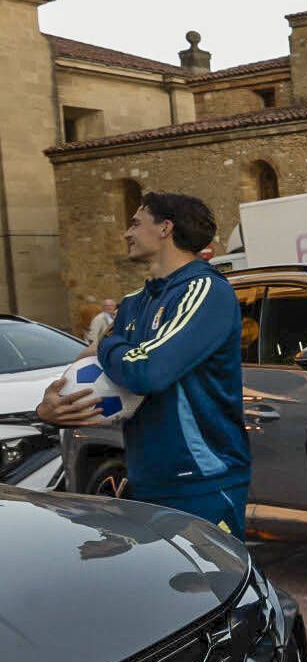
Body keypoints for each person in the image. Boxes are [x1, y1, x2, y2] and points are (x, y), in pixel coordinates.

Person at [38, 193, 247, 533]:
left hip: (201, 481)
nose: (126, 233)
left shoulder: (206, 290)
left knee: (205, 571)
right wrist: (50, 408)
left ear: (165, 228)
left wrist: (107, 343)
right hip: (145, 477)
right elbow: (90, 363)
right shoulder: (134, 302)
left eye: (136, 223)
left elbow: (147, 372)